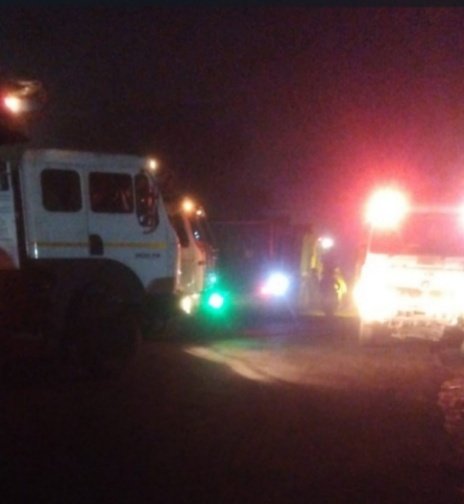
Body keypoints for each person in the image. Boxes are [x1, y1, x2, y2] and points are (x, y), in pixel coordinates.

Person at [298, 224, 321, 312]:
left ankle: (310, 303)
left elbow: (314, 254)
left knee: (311, 286)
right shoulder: (307, 239)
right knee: (306, 287)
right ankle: (304, 303)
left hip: (311, 268)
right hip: (308, 269)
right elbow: (306, 255)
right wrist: (304, 270)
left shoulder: (313, 240)